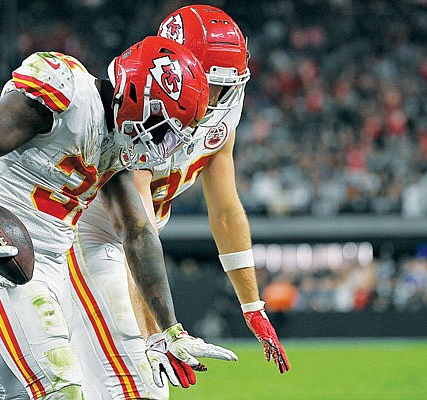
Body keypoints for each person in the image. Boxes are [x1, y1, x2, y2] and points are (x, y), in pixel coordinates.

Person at [0, 35, 238, 400]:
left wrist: (169, 330)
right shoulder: (67, 92)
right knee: (63, 387)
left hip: (54, 267)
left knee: (13, 394)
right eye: (164, 127)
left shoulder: (115, 141)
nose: (165, 144)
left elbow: (137, 230)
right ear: (137, 97)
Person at [65, 5, 290, 400]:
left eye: (227, 86)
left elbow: (225, 210)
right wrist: (159, 335)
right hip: (91, 233)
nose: (219, 98)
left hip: (135, 240)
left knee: (129, 386)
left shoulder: (222, 109)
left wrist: (252, 305)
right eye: (212, 84)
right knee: (135, 384)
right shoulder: (144, 107)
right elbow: (138, 231)